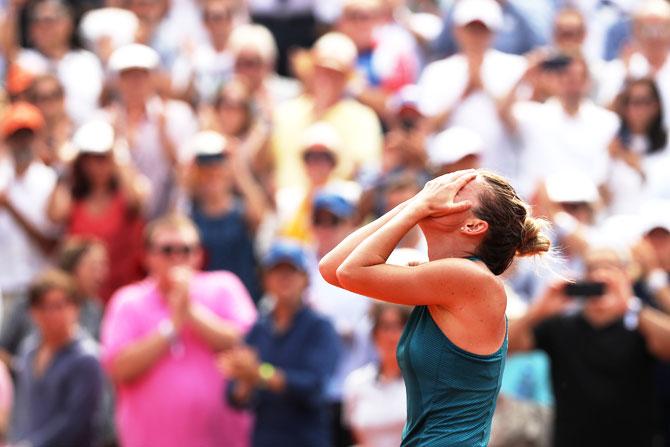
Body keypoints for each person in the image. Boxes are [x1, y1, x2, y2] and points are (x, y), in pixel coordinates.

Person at [320, 169, 551, 446]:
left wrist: (419, 206)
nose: (442, 187)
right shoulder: (443, 278)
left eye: (458, 188)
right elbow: (332, 268)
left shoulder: (471, 279)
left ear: (473, 225)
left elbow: (350, 272)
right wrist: (415, 203)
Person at [101, 213, 257, 447]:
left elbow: (248, 343)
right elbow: (118, 367)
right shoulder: (127, 301)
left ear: (198, 254)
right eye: (167, 250)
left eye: (185, 250)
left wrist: (189, 310)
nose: (177, 258)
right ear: (147, 256)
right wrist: (171, 327)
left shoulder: (225, 286)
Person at [508, 246, 670, 447]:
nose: (600, 275)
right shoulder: (560, 325)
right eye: (592, 268)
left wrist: (631, 306)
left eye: (609, 267)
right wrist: (539, 310)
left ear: (626, 276)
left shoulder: (640, 325)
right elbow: (505, 348)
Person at [222, 240, 341, 447]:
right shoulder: (259, 329)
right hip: (266, 438)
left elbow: (314, 385)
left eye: (291, 271)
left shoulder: (319, 327)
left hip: (306, 438)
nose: (284, 278)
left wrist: (260, 373)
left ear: (305, 279)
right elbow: (234, 396)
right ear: (265, 279)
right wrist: (244, 377)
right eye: (277, 271)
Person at [418, 0, 527, 182]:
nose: (476, 35)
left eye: (482, 29)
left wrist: (483, 85)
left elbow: (518, 128)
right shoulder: (436, 71)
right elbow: (426, 126)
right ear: (456, 30)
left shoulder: (515, 68)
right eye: (471, 28)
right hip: (451, 177)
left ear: (494, 32)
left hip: (503, 177)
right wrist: (463, 92)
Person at [48, 120, 147, 303]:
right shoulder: (74, 198)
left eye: (102, 158)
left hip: (125, 294)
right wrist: (66, 166)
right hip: (84, 300)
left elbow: (139, 200)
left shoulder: (125, 195)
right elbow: (55, 215)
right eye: (88, 159)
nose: (95, 166)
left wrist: (120, 155)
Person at [271, 32, 383, 189]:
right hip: (285, 208)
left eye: (335, 73)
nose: (326, 78)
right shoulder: (285, 112)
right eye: (321, 69)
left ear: (347, 78)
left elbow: (366, 174)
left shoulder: (363, 118)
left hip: (333, 208)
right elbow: (265, 167)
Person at [9, 269, 104, 447]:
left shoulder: (87, 358)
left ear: (75, 308)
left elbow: (77, 422)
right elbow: (22, 410)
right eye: (45, 307)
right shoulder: (28, 349)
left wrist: (30, 445)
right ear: (33, 312)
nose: (53, 315)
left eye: (60, 306)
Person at [104, 43, 198, 220]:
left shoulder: (178, 115)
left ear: (154, 78)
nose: (136, 82)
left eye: (142, 75)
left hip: (170, 217)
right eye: (128, 76)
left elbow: (186, 171)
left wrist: (164, 134)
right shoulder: (104, 120)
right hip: (122, 221)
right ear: (117, 81)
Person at [184, 130, 267, 302]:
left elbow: (261, 216)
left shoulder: (242, 212)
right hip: (205, 304)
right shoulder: (190, 216)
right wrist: (188, 171)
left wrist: (237, 167)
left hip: (245, 302)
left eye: (217, 168)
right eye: (205, 170)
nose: (212, 174)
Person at [0, 102, 59, 304]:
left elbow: (50, 244)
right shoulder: (1, 176)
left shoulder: (49, 180)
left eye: (27, 136)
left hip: (39, 289)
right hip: (4, 287)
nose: (22, 143)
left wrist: (10, 207)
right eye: (16, 137)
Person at [12, 0, 104, 124]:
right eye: (37, 22)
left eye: (49, 21)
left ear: (68, 23)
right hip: (39, 137)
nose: (43, 27)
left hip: (87, 135)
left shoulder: (88, 61)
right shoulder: (24, 62)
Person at [343, 302, 411, 447]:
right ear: (374, 334)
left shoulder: (425, 382)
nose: (391, 336)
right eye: (385, 327)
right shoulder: (356, 381)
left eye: (399, 326)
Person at [607, 78, 668, 214]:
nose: (640, 109)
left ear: (657, 106)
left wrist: (639, 167)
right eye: (634, 103)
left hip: (657, 224)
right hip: (618, 219)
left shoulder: (667, 142)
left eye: (646, 102)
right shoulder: (611, 141)